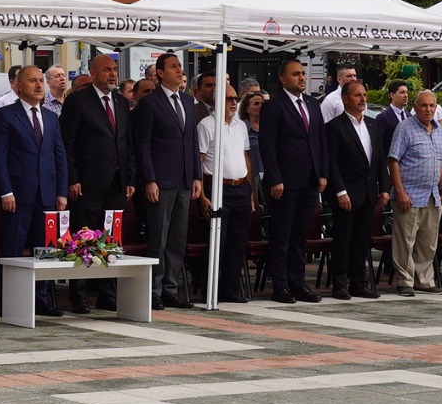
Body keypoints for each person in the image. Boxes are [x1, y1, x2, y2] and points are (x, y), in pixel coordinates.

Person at [0, 63, 69, 318]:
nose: (39, 86)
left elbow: (59, 156)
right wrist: (5, 192)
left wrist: (61, 192)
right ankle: (10, 299)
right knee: (13, 249)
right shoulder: (6, 115)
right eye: (33, 81)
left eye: (40, 81)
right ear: (18, 86)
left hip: (46, 194)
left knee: (45, 249)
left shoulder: (50, 116)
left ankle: (41, 298)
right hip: (18, 194)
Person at [60, 52, 132, 310]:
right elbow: (67, 143)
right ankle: (78, 293)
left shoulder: (122, 102)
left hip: (116, 182)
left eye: (114, 69)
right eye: (106, 70)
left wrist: (129, 177)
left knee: (111, 237)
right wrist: (72, 177)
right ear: (92, 73)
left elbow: (127, 142)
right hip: (87, 183)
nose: (112, 74)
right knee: (83, 237)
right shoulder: (79, 101)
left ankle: (107, 292)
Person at [256, 56, 327, 303]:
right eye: (296, 74)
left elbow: (320, 141)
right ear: (283, 78)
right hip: (284, 182)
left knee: (301, 235)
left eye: (303, 74)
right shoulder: (274, 107)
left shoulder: (312, 104)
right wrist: (275, 178)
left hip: (309, 179)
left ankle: (299, 284)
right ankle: (280, 285)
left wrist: (322, 173)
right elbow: (268, 146)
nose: (301, 77)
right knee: (282, 234)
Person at [134, 52, 202, 308]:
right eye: (173, 67)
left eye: (180, 67)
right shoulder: (150, 103)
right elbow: (144, 145)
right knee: (158, 236)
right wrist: (149, 179)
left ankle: (170, 288)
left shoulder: (187, 101)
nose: (179, 71)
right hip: (161, 181)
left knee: (177, 237)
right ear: (160, 73)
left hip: (184, 179)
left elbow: (192, 141)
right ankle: (153, 288)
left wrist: (196, 175)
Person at [323, 79, 382, 299]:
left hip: (368, 191)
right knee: (343, 239)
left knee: (361, 239)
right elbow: (332, 162)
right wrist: (340, 191)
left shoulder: (372, 124)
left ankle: (359, 282)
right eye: (358, 96)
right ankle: (339, 283)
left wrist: (383, 188)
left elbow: (379, 159)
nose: (363, 99)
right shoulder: (335, 127)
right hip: (346, 192)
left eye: (364, 95)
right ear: (345, 99)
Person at [195, 73, 251, 303]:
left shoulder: (241, 126)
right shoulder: (206, 125)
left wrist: (251, 191)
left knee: (238, 243)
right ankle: (210, 289)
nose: (233, 103)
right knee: (218, 241)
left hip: (241, 188)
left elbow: (246, 156)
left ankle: (230, 289)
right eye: (228, 99)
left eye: (235, 98)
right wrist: (203, 197)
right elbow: (199, 161)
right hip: (217, 187)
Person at [387, 89, 442, 295]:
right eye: (424, 105)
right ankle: (405, 281)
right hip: (409, 195)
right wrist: (400, 192)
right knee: (405, 241)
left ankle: (424, 280)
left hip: (432, 194)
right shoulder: (404, 128)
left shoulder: (438, 129)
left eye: (431, 106)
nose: (428, 109)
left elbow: (440, 161)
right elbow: (393, 161)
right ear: (415, 107)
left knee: (428, 242)